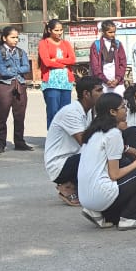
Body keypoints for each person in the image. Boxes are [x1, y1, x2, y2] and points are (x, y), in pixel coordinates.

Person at [78, 93, 136, 231]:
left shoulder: (94, 131)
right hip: (100, 194)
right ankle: (132, 217)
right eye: (123, 107)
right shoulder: (113, 133)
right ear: (112, 112)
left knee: (129, 163)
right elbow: (115, 174)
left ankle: (103, 213)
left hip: (86, 197)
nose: (126, 110)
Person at [43, 76, 102, 207]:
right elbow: (85, 142)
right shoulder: (71, 112)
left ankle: (76, 185)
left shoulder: (88, 111)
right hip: (60, 165)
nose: (102, 94)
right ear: (86, 94)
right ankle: (66, 184)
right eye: (99, 90)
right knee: (97, 154)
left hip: (74, 157)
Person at [0, 26, 32, 153]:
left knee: (20, 115)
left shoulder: (21, 52)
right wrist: (16, 71)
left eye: (17, 38)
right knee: (2, 115)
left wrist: (13, 71)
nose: (15, 40)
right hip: (4, 85)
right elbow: (2, 71)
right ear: (4, 38)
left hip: (19, 85)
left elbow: (26, 68)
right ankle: (0, 144)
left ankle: (19, 141)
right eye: (12, 37)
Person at [37, 19, 75, 127]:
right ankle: (53, 139)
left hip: (66, 82)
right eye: (56, 30)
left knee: (65, 113)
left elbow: (72, 59)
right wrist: (63, 64)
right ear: (49, 30)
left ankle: (64, 139)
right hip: (51, 83)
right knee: (53, 111)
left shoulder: (66, 43)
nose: (59, 33)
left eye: (61, 30)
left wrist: (57, 60)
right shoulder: (44, 43)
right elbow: (46, 62)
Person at [88, 20, 127, 96]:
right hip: (102, 83)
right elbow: (95, 66)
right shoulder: (96, 45)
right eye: (110, 32)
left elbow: (123, 63)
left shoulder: (118, 44)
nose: (113, 34)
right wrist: (106, 81)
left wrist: (117, 79)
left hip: (117, 83)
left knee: (119, 105)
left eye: (114, 32)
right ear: (103, 31)